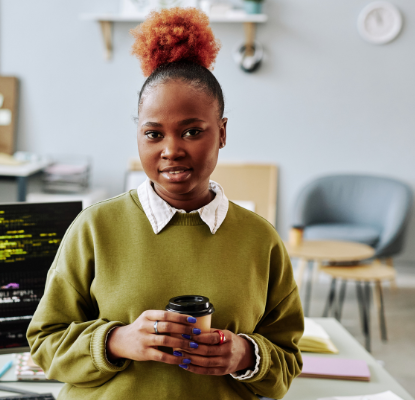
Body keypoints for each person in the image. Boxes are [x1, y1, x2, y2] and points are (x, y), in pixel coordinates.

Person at [26, 7, 303, 399]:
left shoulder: (261, 240)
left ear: (222, 132)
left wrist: (245, 354)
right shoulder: (95, 229)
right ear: (137, 134)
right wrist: (115, 341)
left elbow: (288, 358)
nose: (171, 150)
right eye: (153, 134)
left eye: (192, 131)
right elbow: (44, 343)